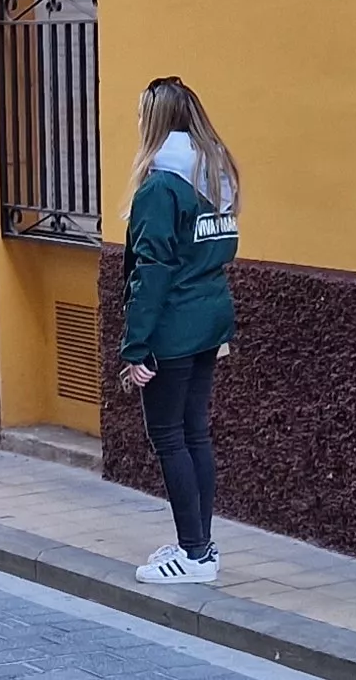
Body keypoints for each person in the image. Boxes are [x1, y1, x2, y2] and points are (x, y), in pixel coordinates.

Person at [119, 77, 241, 587]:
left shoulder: (160, 186)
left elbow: (152, 270)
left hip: (171, 327)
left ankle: (193, 555)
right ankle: (201, 546)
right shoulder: (218, 175)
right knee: (195, 433)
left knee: (170, 436)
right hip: (210, 318)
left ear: (153, 122)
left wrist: (135, 346)